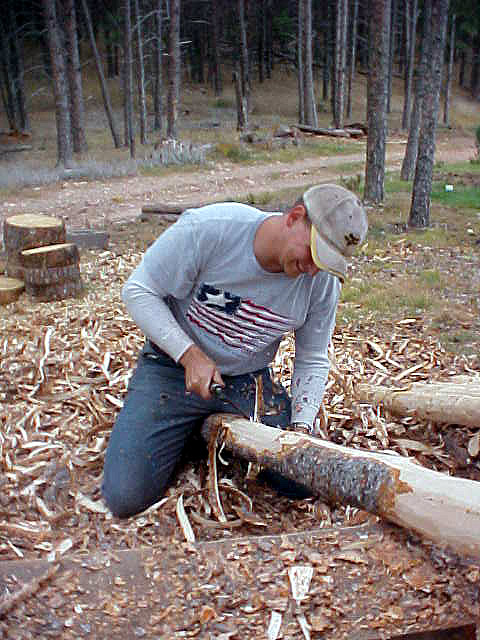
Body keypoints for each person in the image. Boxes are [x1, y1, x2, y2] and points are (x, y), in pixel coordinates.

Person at [102, 184, 368, 518]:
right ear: (295, 217)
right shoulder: (211, 230)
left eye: (325, 263)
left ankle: (203, 432)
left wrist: (301, 429)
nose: (313, 269)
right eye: (314, 254)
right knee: (125, 496)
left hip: (247, 381)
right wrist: (188, 354)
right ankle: (189, 431)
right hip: (173, 370)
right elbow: (138, 291)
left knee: (301, 483)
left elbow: (312, 357)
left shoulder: (320, 282)